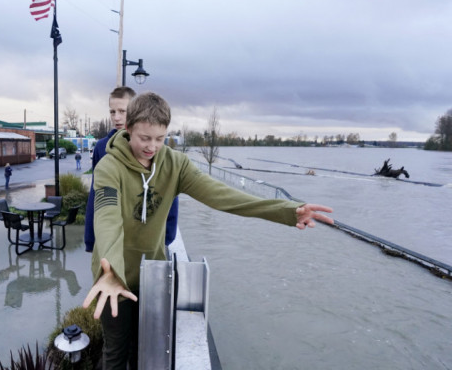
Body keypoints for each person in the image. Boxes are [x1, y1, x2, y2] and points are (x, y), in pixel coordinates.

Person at [82, 92, 334, 369]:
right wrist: (110, 271)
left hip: (151, 273)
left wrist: (286, 211)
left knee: (143, 348)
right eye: (144, 138)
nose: (152, 146)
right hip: (111, 276)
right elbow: (106, 219)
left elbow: (222, 196)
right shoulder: (108, 166)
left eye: (160, 138)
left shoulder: (175, 165)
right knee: (116, 351)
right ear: (128, 129)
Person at [84, 86, 179, 253]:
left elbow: (168, 192)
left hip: (147, 237)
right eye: (112, 112)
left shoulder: (154, 147)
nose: (117, 117)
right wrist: (91, 239)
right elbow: (96, 193)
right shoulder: (102, 147)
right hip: (113, 236)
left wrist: (167, 237)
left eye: (123, 111)